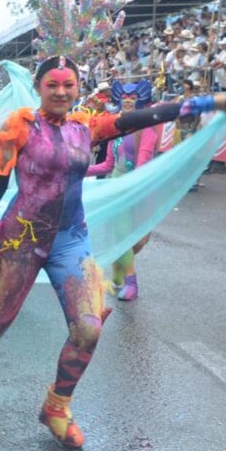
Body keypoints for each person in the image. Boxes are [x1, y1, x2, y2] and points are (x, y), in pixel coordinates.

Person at [0, 56, 226, 447]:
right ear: (38, 87)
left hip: (70, 239)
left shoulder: (85, 127)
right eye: (52, 84)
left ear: (77, 88)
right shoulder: (19, 125)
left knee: (88, 328)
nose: (61, 91)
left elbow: (145, 117)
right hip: (22, 238)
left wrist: (211, 102)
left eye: (68, 84)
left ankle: (57, 406)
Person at [86, 80, 157, 301]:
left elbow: (142, 165)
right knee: (122, 235)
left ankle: (117, 271)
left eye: (132, 98)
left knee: (139, 241)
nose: (127, 101)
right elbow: (107, 165)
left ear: (141, 101)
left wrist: (134, 187)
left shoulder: (147, 131)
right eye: (124, 98)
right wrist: (80, 170)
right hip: (117, 191)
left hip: (140, 190)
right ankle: (131, 282)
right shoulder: (115, 130)